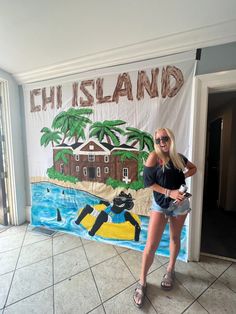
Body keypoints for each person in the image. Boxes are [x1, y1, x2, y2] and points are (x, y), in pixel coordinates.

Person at [133, 127, 197, 308]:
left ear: (171, 138)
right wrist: (170, 192)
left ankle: (170, 270)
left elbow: (193, 168)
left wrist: (182, 176)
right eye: (159, 139)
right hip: (160, 205)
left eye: (165, 138)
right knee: (151, 245)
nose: (162, 142)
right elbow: (148, 183)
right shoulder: (154, 156)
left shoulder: (178, 157)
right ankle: (142, 282)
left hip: (180, 205)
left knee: (175, 237)